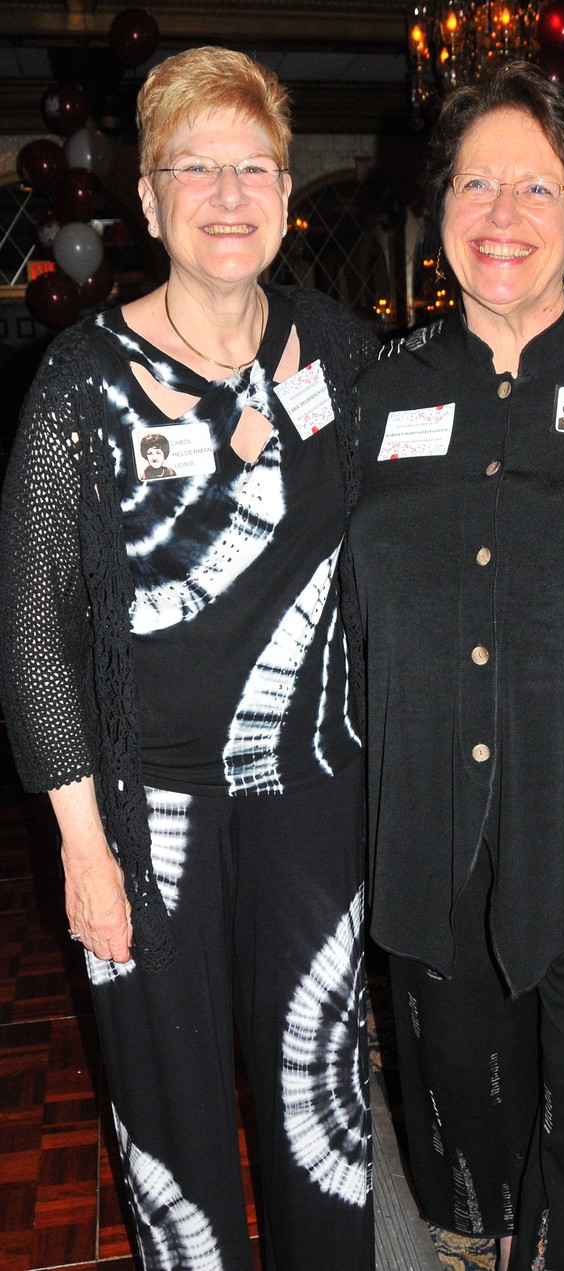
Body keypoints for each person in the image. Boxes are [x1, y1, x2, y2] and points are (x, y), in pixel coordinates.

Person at [0, 48, 376, 1270]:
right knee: (167, 1114)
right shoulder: (80, 383)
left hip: (314, 795)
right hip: (144, 815)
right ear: (149, 204)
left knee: (318, 1103)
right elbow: (35, 632)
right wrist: (83, 849)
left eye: (253, 166)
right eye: (193, 169)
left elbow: (469, 415)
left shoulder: (343, 350)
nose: (227, 194)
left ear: (286, 192)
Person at [347, 62, 564, 1271]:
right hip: (427, 828)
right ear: (439, 206)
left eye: (537, 187)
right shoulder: (372, 395)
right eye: (476, 183)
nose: (503, 214)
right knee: (466, 1113)